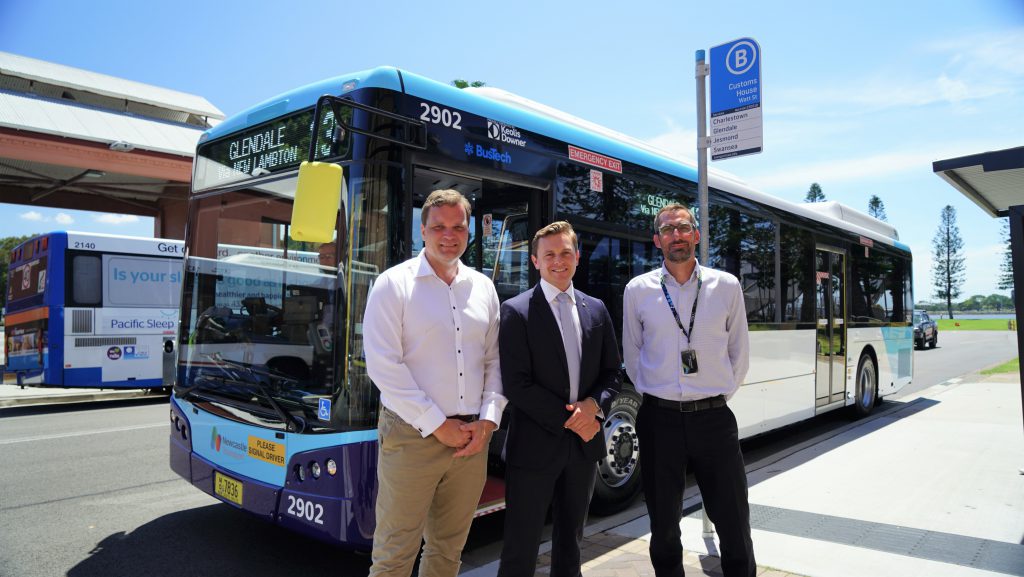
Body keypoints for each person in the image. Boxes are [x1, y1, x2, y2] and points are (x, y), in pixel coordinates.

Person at [362, 189, 506, 577]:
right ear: (422, 231)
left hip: (471, 437)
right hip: (412, 433)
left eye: (458, 226)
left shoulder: (483, 288)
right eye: (439, 226)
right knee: (395, 554)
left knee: (447, 552)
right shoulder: (394, 284)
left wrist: (488, 422)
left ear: (469, 231)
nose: (449, 234)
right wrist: (437, 424)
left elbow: (494, 360)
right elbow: (382, 365)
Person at [622, 203, 756, 577]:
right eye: (667, 230)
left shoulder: (726, 286)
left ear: (696, 235)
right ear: (656, 240)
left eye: (683, 228)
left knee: (733, 521)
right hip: (658, 421)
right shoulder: (638, 291)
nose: (676, 235)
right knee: (663, 525)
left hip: (714, 419)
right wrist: (660, 393)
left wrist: (715, 396)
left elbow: (739, 354)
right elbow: (633, 355)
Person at [497, 221, 621, 577]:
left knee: (571, 546)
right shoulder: (516, 311)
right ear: (535, 261)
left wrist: (595, 408)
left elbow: (613, 372)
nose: (558, 260)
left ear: (577, 257)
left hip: (582, 451)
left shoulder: (596, 309)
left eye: (565, 252)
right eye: (549, 254)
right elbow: (516, 385)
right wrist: (575, 419)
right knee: (520, 549)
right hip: (534, 448)